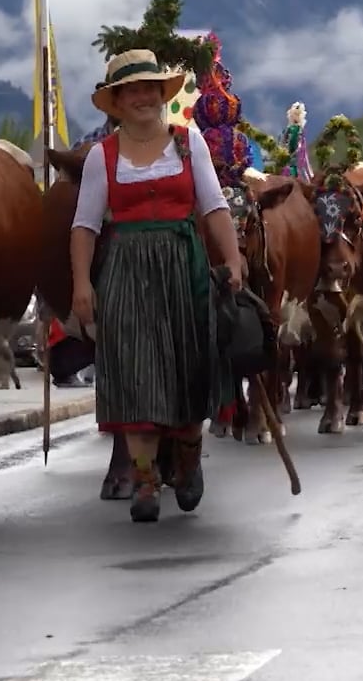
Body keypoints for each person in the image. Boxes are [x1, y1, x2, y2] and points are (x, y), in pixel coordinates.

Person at [70, 49, 245, 523]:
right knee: (135, 373)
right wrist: (82, 285)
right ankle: (145, 476)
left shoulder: (189, 144)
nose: (143, 96)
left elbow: (213, 207)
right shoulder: (101, 158)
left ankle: (187, 456)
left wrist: (232, 258)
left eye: (150, 87)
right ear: (118, 101)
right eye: (132, 90)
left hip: (182, 266)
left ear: (161, 95)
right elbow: (85, 225)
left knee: (190, 367)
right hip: (125, 271)